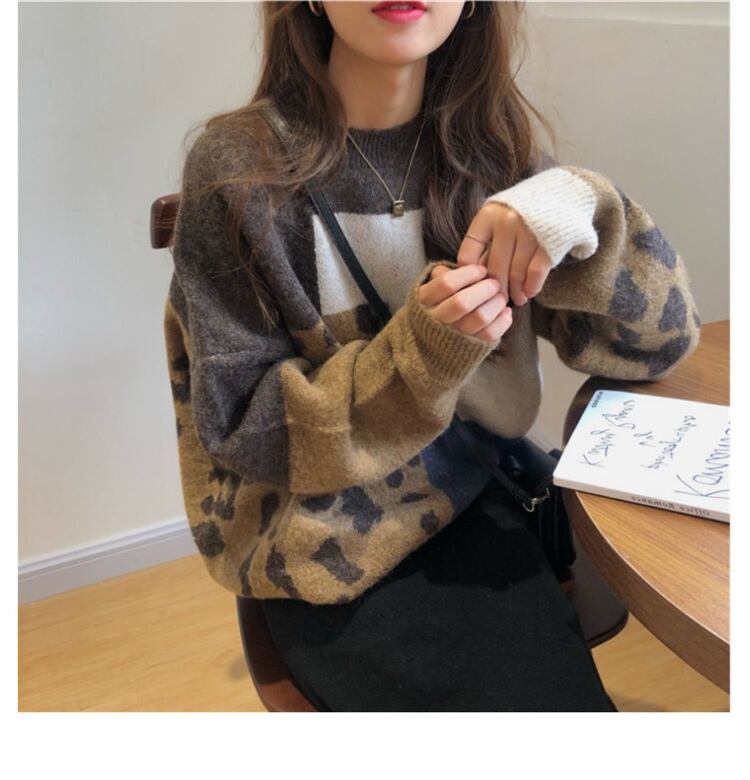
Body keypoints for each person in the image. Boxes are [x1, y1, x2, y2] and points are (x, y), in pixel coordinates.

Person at [163, 1, 701, 711]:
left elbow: (658, 345)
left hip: (479, 490)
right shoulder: (239, 170)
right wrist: (423, 356)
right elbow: (246, 431)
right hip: (328, 536)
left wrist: (588, 206)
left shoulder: (494, 153)